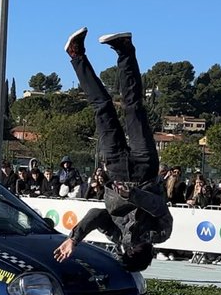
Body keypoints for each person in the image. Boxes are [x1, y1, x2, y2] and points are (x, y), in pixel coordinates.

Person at [53, 28, 172, 272]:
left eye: (130, 248)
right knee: (134, 107)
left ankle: (76, 55)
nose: (134, 244)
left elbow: (97, 214)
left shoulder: (118, 237)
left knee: (103, 108)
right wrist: (132, 196)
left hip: (117, 169)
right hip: (145, 169)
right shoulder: (160, 234)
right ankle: (125, 49)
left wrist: (74, 238)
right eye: (138, 248)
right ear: (148, 251)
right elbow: (159, 208)